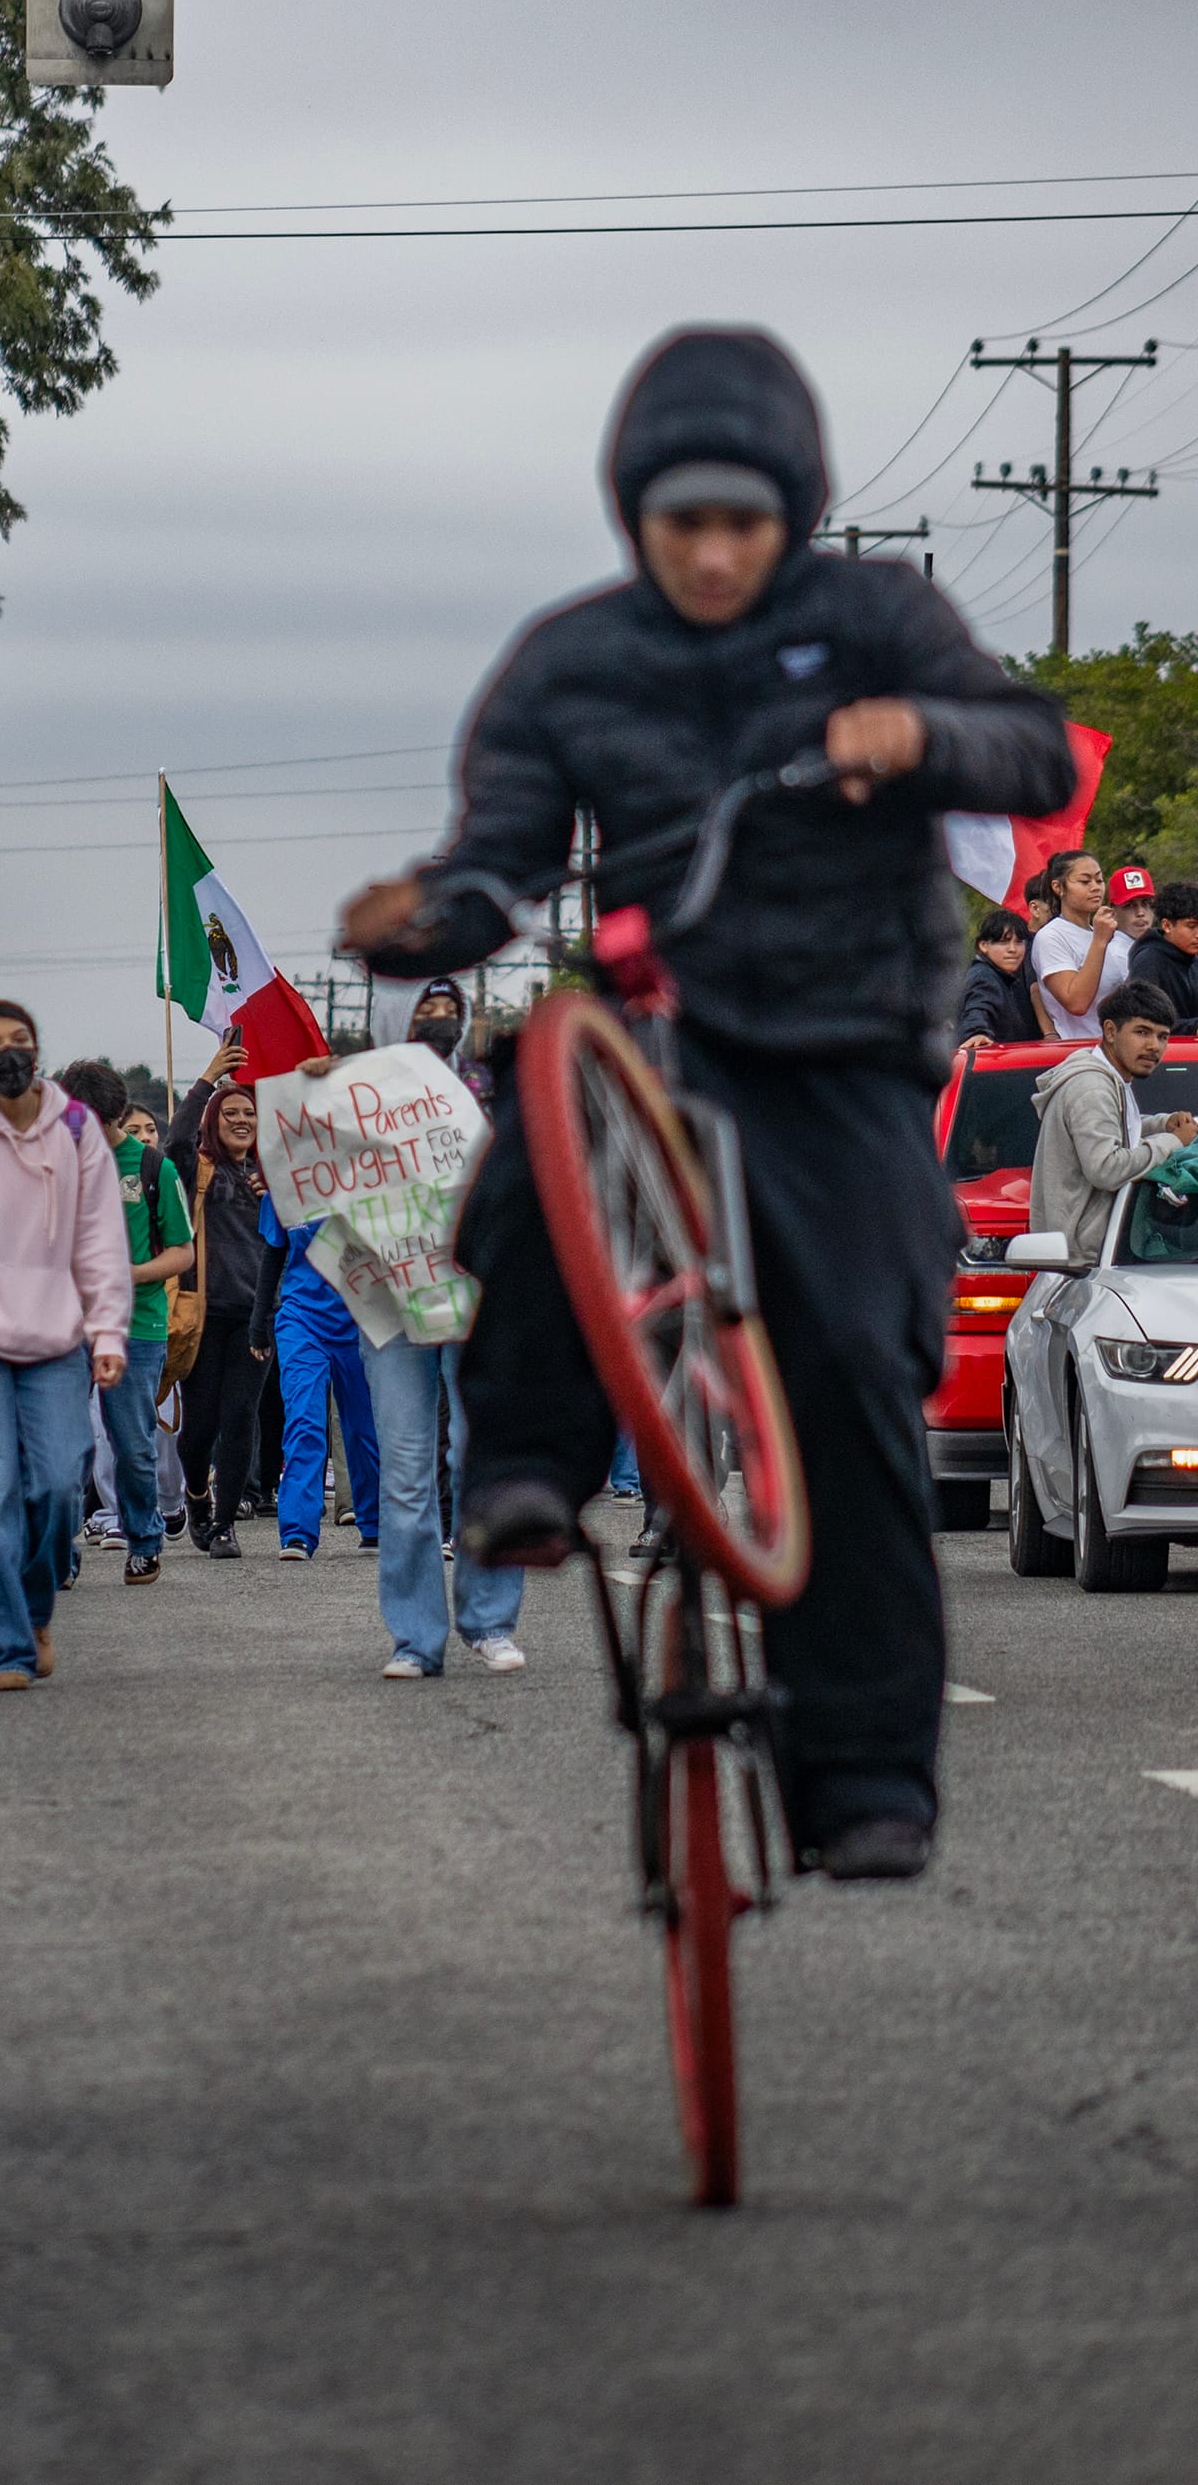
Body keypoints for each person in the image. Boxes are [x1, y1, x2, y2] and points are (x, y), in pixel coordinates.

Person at [341, 323, 1074, 1881]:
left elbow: (1023, 745)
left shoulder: (876, 614)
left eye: (747, 522)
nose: (719, 553)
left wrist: (919, 734)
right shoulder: (578, 655)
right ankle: (530, 1469)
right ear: (636, 516)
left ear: (791, 511)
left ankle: (866, 1777)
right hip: (671, 1024)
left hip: (853, 1043)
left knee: (863, 1375)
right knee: (545, 1111)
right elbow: (504, 853)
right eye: (687, 525)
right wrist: (430, 914)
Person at [0, 1004, 131, 1686]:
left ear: (37, 1051)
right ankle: (9, 1643)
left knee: (59, 1486)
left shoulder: (74, 1129)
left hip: (57, 1338)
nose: (6, 1053)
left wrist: (107, 1329)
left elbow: (99, 1235)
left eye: (19, 1042)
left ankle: (36, 1609)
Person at [355, 999, 523, 1679]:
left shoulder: (489, 1087)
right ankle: (416, 1637)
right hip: (392, 1300)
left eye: (450, 1005)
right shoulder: (356, 1093)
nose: (438, 1015)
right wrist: (307, 1104)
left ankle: (489, 1620)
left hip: (473, 1292)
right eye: (425, 1004)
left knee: (475, 1452)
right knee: (404, 1471)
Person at [55, 1059, 194, 1585]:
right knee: (64, 1445)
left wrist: (130, 1272)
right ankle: (59, 1554)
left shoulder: (154, 1168)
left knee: (133, 1443)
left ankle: (144, 1539)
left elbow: (182, 1253)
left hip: (138, 1327)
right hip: (64, 1327)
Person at [166, 1052, 270, 1557]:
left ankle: (225, 1525)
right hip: (202, 1315)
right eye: (230, 1113)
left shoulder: (273, 1177)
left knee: (240, 1418)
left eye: (249, 1113)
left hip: (257, 1319)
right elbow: (175, 1141)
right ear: (214, 1120)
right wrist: (207, 1079)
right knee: (200, 1424)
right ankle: (196, 1493)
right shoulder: (195, 1170)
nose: (241, 1120)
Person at [248, 1191, 380, 1564]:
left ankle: (374, 1523)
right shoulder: (285, 1182)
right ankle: (298, 1532)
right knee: (305, 1420)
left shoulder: (367, 1176)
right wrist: (259, 1322)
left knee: (362, 1426)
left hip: (360, 1318)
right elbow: (273, 1252)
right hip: (301, 1317)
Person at [1027, 979, 1196, 1260]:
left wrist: (1162, 1124)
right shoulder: (1091, 1087)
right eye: (1142, 1032)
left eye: (1162, 1036)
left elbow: (1115, 1128)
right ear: (1110, 1031)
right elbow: (1106, 1169)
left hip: (1096, 1258)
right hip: (1083, 1264)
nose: (1154, 1046)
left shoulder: (1109, 1080)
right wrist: (1172, 1141)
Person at [1029, 850, 1131, 1042]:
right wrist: (1099, 941)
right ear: (1059, 888)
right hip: (1080, 1051)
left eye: (1099, 880)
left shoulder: (1104, 932)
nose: (1095, 888)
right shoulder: (1051, 937)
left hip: (1117, 1049)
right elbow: (1076, 1002)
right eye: (1085, 882)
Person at [956, 908, 1040, 1048]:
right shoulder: (983, 977)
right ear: (983, 945)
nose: (1012, 949)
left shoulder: (1009, 979)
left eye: (1019, 942)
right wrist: (976, 1033)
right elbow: (978, 1007)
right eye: (1003, 942)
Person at [1127, 881, 1198, 1033]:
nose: (1197, 934)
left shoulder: (1193, 961)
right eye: (1191, 926)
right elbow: (1142, 1019)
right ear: (1167, 926)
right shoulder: (1149, 961)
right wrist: (1192, 1028)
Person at [1108, 863, 1158, 943]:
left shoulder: (1150, 945)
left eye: (1145, 903)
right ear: (1113, 913)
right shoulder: (1117, 953)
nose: (1140, 913)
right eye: (1129, 906)